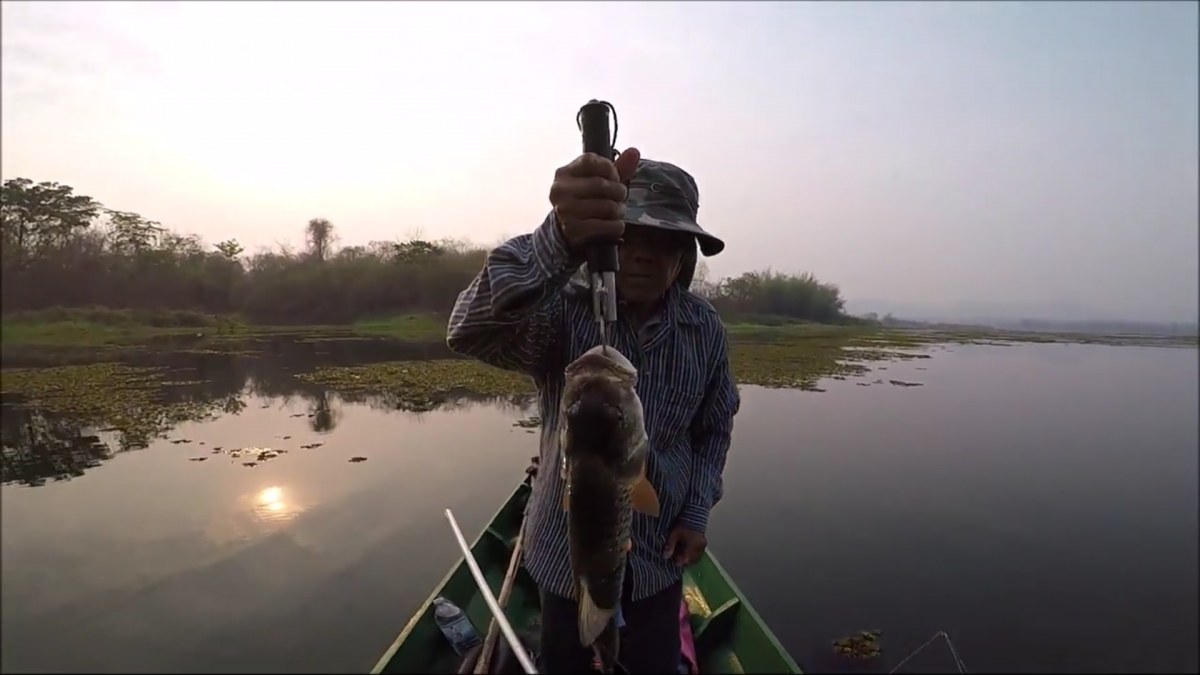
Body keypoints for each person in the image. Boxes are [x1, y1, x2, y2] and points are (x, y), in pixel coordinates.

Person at [446, 147, 739, 674]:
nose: (647, 254)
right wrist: (555, 240)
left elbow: (713, 430)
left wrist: (696, 512)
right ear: (604, 240)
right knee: (569, 660)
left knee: (651, 663)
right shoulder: (559, 308)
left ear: (686, 257)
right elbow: (467, 330)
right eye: (632, 236)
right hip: (564, 557)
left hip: (659, 561)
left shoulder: (705, 329)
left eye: (668, 242)